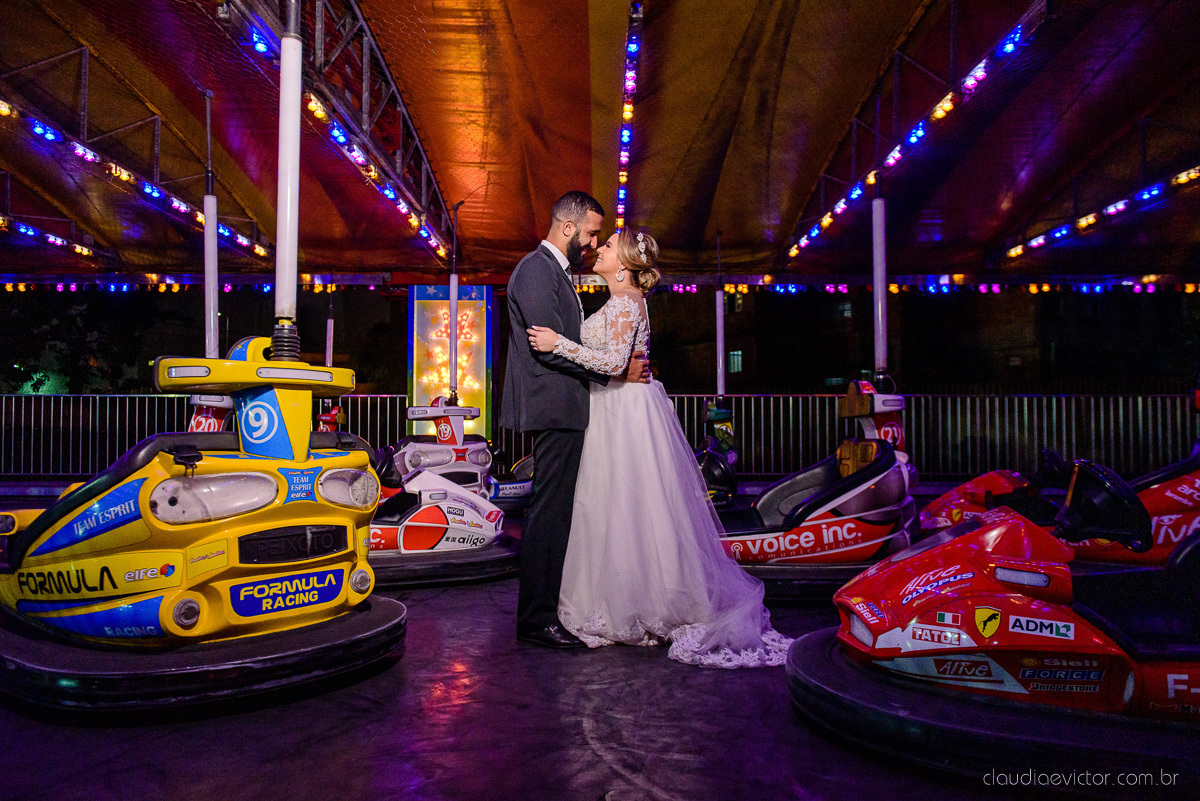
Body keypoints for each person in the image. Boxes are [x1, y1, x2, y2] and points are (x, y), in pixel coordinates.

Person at [527, 228, 792, 668]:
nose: (599, 249)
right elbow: (618, 361)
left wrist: (560, 345)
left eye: (608, 246)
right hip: (616, 405)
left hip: (623, 411)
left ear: (624, 264)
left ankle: (630, 601)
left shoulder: (625, 303)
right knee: (620, 506)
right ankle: (624, 593)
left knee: (623, 504)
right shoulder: (623, 301)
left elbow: (614, 362)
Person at [499, 191, 649, 649]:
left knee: (560, 509)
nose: (593, 243)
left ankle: (549, 610)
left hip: (567, 406)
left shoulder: (557, 273)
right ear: (567, 228)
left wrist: (614, 368)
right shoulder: (536, 270)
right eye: (590, 233)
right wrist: (615, 371)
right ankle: (537, 619)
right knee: (549, 511)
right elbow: (548, 345)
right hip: (554, 405)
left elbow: (565, 342)